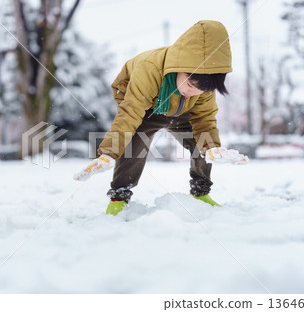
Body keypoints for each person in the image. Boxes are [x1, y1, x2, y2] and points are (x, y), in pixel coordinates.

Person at [74, 20, 247, 215]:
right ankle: (119, 198)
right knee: (134, 146)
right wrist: (108, 152)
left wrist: (212, 147)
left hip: (182, 111)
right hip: (146, 107)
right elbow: (129, 113)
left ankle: (200, 193)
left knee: (204, 143)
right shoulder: (149, 70)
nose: (194, 92)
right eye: (191, 85)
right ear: (180, 68)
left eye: (201, 90)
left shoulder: (203, 85)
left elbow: (205, 119)